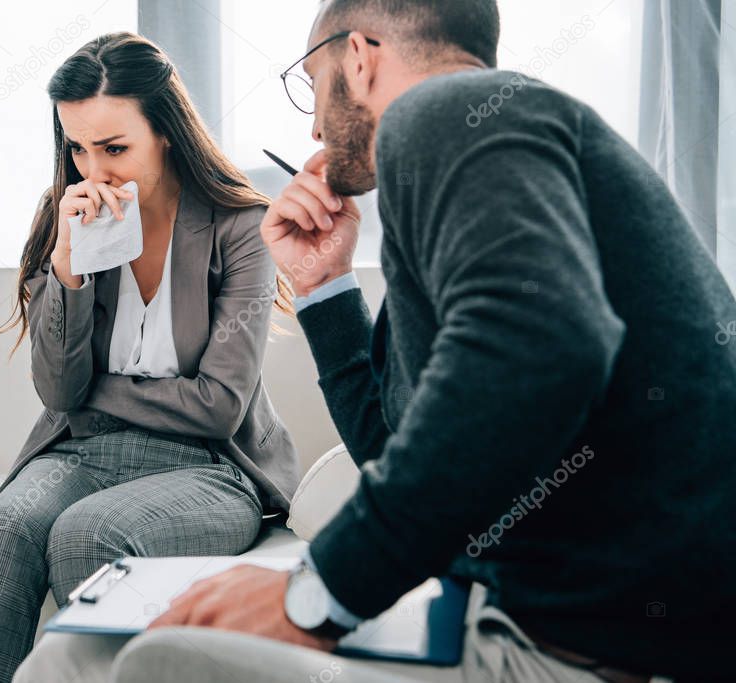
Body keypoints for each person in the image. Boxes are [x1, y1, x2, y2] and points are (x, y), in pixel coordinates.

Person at [102, 1, 736, 682]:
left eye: (311, 86)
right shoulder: (496, 151)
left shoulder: (441, 111)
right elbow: (395, 450)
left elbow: (542, 349)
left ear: (361, 56)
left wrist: (321, 592)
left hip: (606, 654)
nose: (314, 126)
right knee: (95, 654)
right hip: (571, 628)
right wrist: (322, 286)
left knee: (131, 659)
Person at [0, 31, 300, 683]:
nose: (93, 170)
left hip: (208, 466)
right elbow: (59, 388)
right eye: (76, 147)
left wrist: (97, 390)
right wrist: (68, 274)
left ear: (166, 132)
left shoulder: (239, 228)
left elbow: (218, 408)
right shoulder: (69, 220)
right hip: (83, 451)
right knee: (9, 526)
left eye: (114, 148)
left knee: (89, 533)